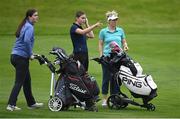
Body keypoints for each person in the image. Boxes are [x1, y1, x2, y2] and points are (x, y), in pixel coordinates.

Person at [6, 8, 43, 111]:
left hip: (15, 56)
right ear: (29, 17)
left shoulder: (25, 25)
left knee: (27, 80)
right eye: (35, 15)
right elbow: (26, 41)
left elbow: (24, 42)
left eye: (37, 15)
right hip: (20, 58)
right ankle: (11, 104)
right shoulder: (29, 27)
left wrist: (30, 53)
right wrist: (30, 54)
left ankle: (31, 103)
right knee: (19, 82)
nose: (37, 17)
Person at [98, 10, 129, 107]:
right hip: (107, 57)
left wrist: (125, 46)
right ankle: (104, 99)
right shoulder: (103, 31)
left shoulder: (120, 30)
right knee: (106, 78)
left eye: (116, 20)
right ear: (108, 21)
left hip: (118, 57)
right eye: (113, 20)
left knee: (116, 79)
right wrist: (101, 54)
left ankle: (114, 98)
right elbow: (100, 43)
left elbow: (123, 41)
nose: (115, 21)